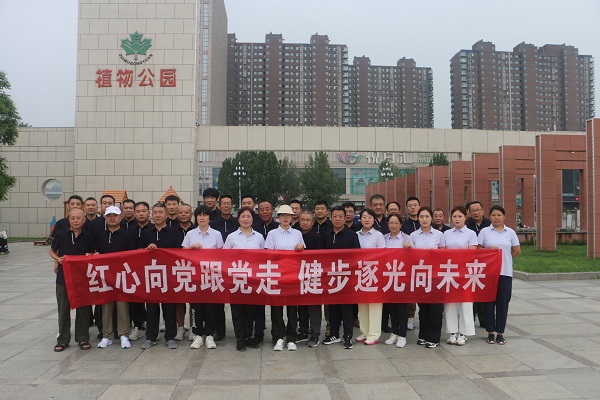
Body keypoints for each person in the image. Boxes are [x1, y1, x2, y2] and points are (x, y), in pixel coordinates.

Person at [140, 202, 184, 350]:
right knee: (151, 309)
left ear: (166, 215)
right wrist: (147, 249)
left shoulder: (174, 232)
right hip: (151, 276)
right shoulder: (146, 233)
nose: (158, 215)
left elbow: (179, 253)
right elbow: (138, 253)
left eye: (161, 212)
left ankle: (170, 337)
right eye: (155, 213)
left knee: (169, 308)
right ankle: (151, 337)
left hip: (168, 276)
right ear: (151, 215)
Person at [49, 208, 94, 352]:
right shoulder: (61, 235)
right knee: (63, 309)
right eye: (73, 218)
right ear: (68, 220)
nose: (75, 221)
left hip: (82, 278)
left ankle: (83, 338)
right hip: (64, 278)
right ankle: (62, 339)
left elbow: (93, 252)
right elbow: (52, 251)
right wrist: (58, 260)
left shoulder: (88, 236)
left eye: (78, 218)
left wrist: (90, 256)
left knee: (83, 309)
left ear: (84, 220)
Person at [223, 207, 266, 352]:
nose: (246, 219)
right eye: (243, 216)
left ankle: (248, 336)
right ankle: (240, 338)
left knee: (250, 309)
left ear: (252, 219)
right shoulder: (232, 237)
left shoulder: (259, 237)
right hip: (236, 279)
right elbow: (224, 257)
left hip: (253, 279)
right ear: (238, 219)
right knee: (237, 310)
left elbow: (264, 258)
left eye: (248, 216)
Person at [478, 205, 520, 345]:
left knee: (503, 303)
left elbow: (516, 250)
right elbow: (478, 250)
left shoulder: (510, 232)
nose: (496, 217)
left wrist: (505, 260)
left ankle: (500, 333)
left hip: (505, 273)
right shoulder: (484, 232)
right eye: (493, 215)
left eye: (499, 215)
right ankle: (490, 332)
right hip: (489, 273)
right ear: (489, 217)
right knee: (488, 303)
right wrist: (489, 252)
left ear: (504, 217)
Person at [183, 205, 224, 350]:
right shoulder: (190, 234)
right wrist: (191, 248)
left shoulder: (216, 234)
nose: (202, 218)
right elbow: (182, 252)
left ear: (209, 218)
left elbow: (221, 254)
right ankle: (198, 334)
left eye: (205, 215)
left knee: (210, 306)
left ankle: (210, 334)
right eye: (199, 215)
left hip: (211, 276)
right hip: (194, 276)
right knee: (196, 306)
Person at [265, 205, 305, 351]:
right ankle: (278, 337)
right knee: (276, 307)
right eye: (282, 215)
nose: (285, 218)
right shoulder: (272, 234)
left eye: (288, 215)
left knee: (292, 308)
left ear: (292, 217)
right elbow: (268, 254)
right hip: (277, 275)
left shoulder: (297, 233)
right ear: (278, 217)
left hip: (293, 275)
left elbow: (303, 253)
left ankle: (292, 337)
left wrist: (300, 247)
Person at [404, 206, 446, 348]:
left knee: (435, 308)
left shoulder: (439, 235)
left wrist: (436, 253)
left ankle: (434, 338)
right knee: (423, 308)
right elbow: (411, 255)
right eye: (421, 217)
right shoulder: (413, 235)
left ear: (431, 218)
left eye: (427, 216)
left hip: (435, 275)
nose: (424, 219)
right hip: (420, 275)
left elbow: (444, 253)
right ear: (418, 218)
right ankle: (423, 335)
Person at [95, 206, 136, 349]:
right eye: (109, 215)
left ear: (120, 217)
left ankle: (123, 335)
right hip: (105, 276)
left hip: (122, 275)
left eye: (115, 215)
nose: (112, 218)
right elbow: (96, 253)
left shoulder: (127, 235)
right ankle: (107, 335)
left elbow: (133, 256)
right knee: (106, 306)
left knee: (122, 306)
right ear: (105, 217)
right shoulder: (100, 235)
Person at [322, 206, 361, 350]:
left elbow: (356, 255)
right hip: (331, 277)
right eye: (335, 216)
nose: (337, 219)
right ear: (331, 218)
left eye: (340, 217)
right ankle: (334, 334)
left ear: (345, 219)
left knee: (346, 309)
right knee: (332, 308)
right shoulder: (326, 235)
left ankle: (348, 336)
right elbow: (320, 256)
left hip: (346, 277)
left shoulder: (352, 235)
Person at [443, 206, 478, 346]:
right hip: (449, 272)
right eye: (454, 216)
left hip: (465, 273)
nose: (457, 219)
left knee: (465, 303)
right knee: (450, 303)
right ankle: (452, 332)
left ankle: (464, 333)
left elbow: (472, 254)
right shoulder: (446, 233)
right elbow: (443, 252)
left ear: (465, 217)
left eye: (459, 216)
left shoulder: (471, 234)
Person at [209, 194, 238, 341]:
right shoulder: (213, 224)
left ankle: (241, 331)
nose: (226, 206)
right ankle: (219, 331)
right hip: (218, 267)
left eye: (229, 203)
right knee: (218, 301)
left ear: (232, 206)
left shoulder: (237, 223)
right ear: (219, 206)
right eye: (223, 204)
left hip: (236, 268)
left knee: (237, 299)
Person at [355, 208, 386, 345]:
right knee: (362, 304)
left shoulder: (378, 235)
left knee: (374, 304)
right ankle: (365, 331)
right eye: (364, 217)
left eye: (370, 217)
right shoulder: (356, 235)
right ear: (360, 219)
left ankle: (373, 334)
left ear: (374, 220)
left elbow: (383, 255)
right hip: (359, 273)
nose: (367, 220)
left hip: (374, 273)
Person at [296, 210, 324, 347]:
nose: (305, 222)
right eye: (302, 220)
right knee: (301, 306)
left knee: (313, 306)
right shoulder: (295, 235)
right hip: (297, 275)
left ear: (313, 222)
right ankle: (303, 331)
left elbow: (320, 258)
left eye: (308, 220)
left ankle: (315, 334)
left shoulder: (317, 237)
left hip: (313, 275)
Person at [383, 213, 410, 348]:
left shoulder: (406, 238)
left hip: (402, 276)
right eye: (391, 223)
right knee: (391, 307)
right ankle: (394, 332)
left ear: (400, 224)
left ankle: (402, 335)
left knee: (401, 307)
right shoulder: (384, 238)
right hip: (388, 276)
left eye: (396, 223)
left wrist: (409, 248)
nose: (393, 225)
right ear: (388, 225)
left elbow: (414, 255)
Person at [127, 201, 153, 341]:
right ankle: (138, 326)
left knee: (152, 300)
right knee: (135, 300)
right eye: (138, 211)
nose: (141, 214)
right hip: (134, 270)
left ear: (149, 212)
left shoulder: (154, 229)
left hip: (151, 270)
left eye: (144, 211)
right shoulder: (129, 230)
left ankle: (151, 325)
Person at [466, 200, 492, 328]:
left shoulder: (490, 224)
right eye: (473, 211)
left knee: (483, 291)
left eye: (478, 210)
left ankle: (484, 319)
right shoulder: (466, 225)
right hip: (469, 264)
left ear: (483, 211)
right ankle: (470, 321)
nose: (476, 213)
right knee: (471, 292)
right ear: (469, 213)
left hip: (486, 264)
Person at [174, 203, 196, 341]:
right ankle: (180, 328)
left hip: (194, 270)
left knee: (193, 302)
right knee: (179, 302)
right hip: (177, 270)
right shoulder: (172, 231)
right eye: (180, 212)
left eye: (186, 212)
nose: (183, 214)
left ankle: (193, 328)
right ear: (177, 214)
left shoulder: (197, 230)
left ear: (191, 214)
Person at [401, 196, 420, 330]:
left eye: (415, 205)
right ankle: (410, 317)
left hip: (425, 263)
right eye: (410, 205)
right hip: (409, 263)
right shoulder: (404, 225)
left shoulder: (425, 222)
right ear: (407, 208)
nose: (413, 207)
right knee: (410, 291)